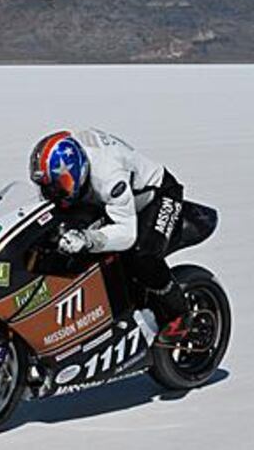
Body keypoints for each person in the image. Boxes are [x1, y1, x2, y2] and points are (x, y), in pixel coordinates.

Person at [29, 128, 192, 345]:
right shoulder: (67, 169)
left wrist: (88, 239)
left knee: (142, 255)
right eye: (49, 188)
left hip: (158, 194)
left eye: (63, 185)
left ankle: (180, 315)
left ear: (80, 169)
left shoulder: (108, 177)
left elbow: (127, 233)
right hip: (105, 198)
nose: (56, 193)